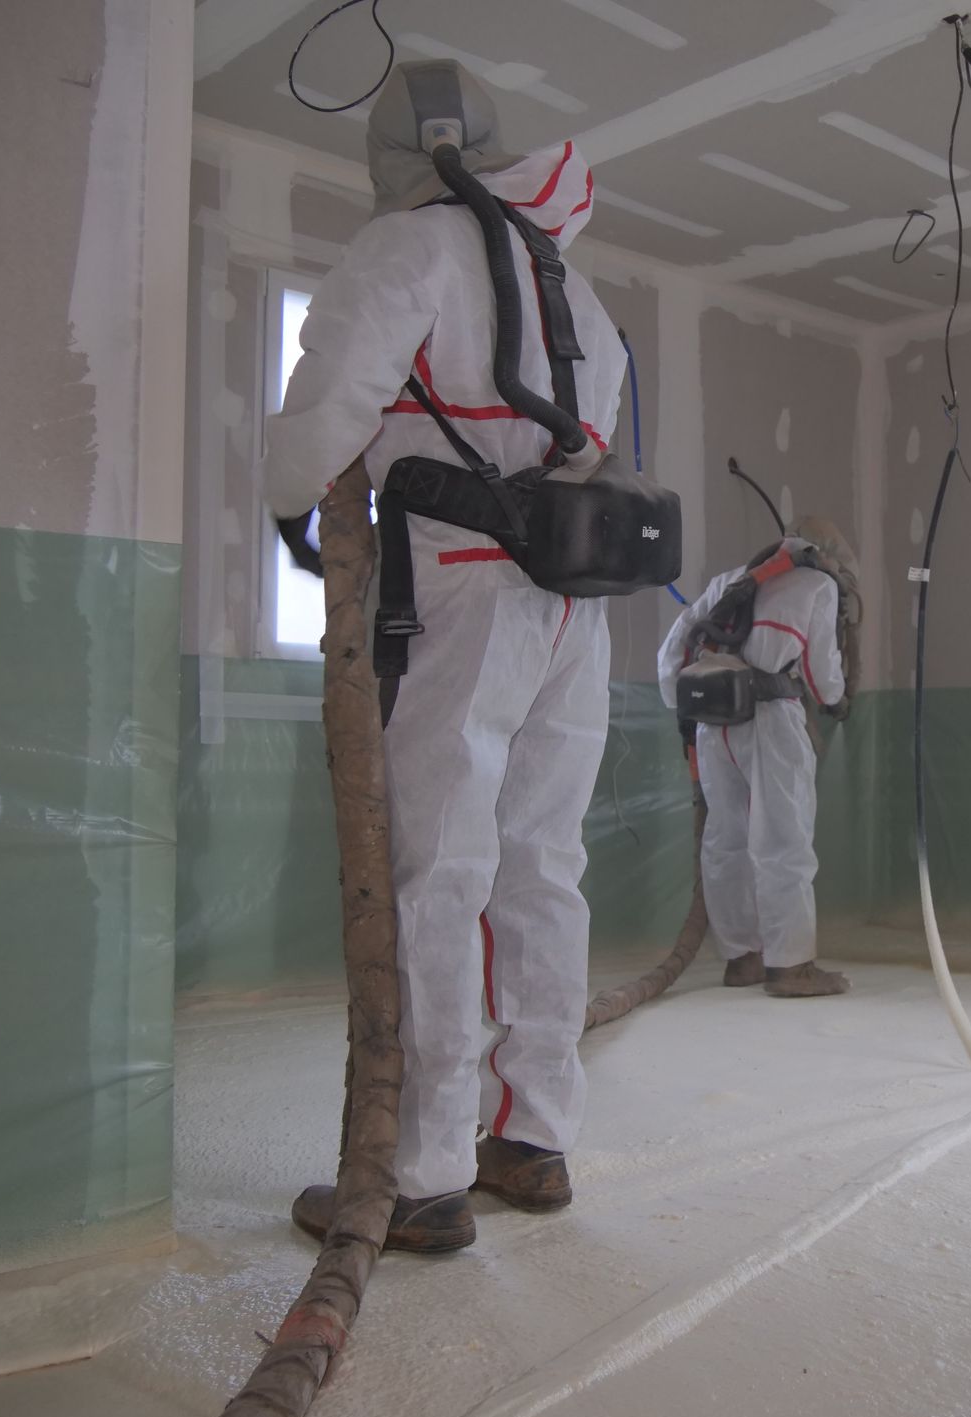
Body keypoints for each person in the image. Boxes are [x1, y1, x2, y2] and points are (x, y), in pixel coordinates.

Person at [263, 61, 624, 1254]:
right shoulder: (573, 280)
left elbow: (321, 421)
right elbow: (594, 438)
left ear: (389, 162)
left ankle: (422, 1174)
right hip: (574, 605)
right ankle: (532, 1140)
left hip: (462, 595)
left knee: (443, 872)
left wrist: (287, 502)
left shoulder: (405, 249)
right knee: (542, 868)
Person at [657, 518, 857, 998]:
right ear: (825, 552)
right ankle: (791, 966)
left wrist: (687, 705)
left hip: (714, 723)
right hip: (771, 719)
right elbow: (822, 676)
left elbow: (672, 654)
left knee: (725, 841)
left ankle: (742, 959)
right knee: (783, 839)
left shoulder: (728, 583)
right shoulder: (817, 584)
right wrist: (835, 700)